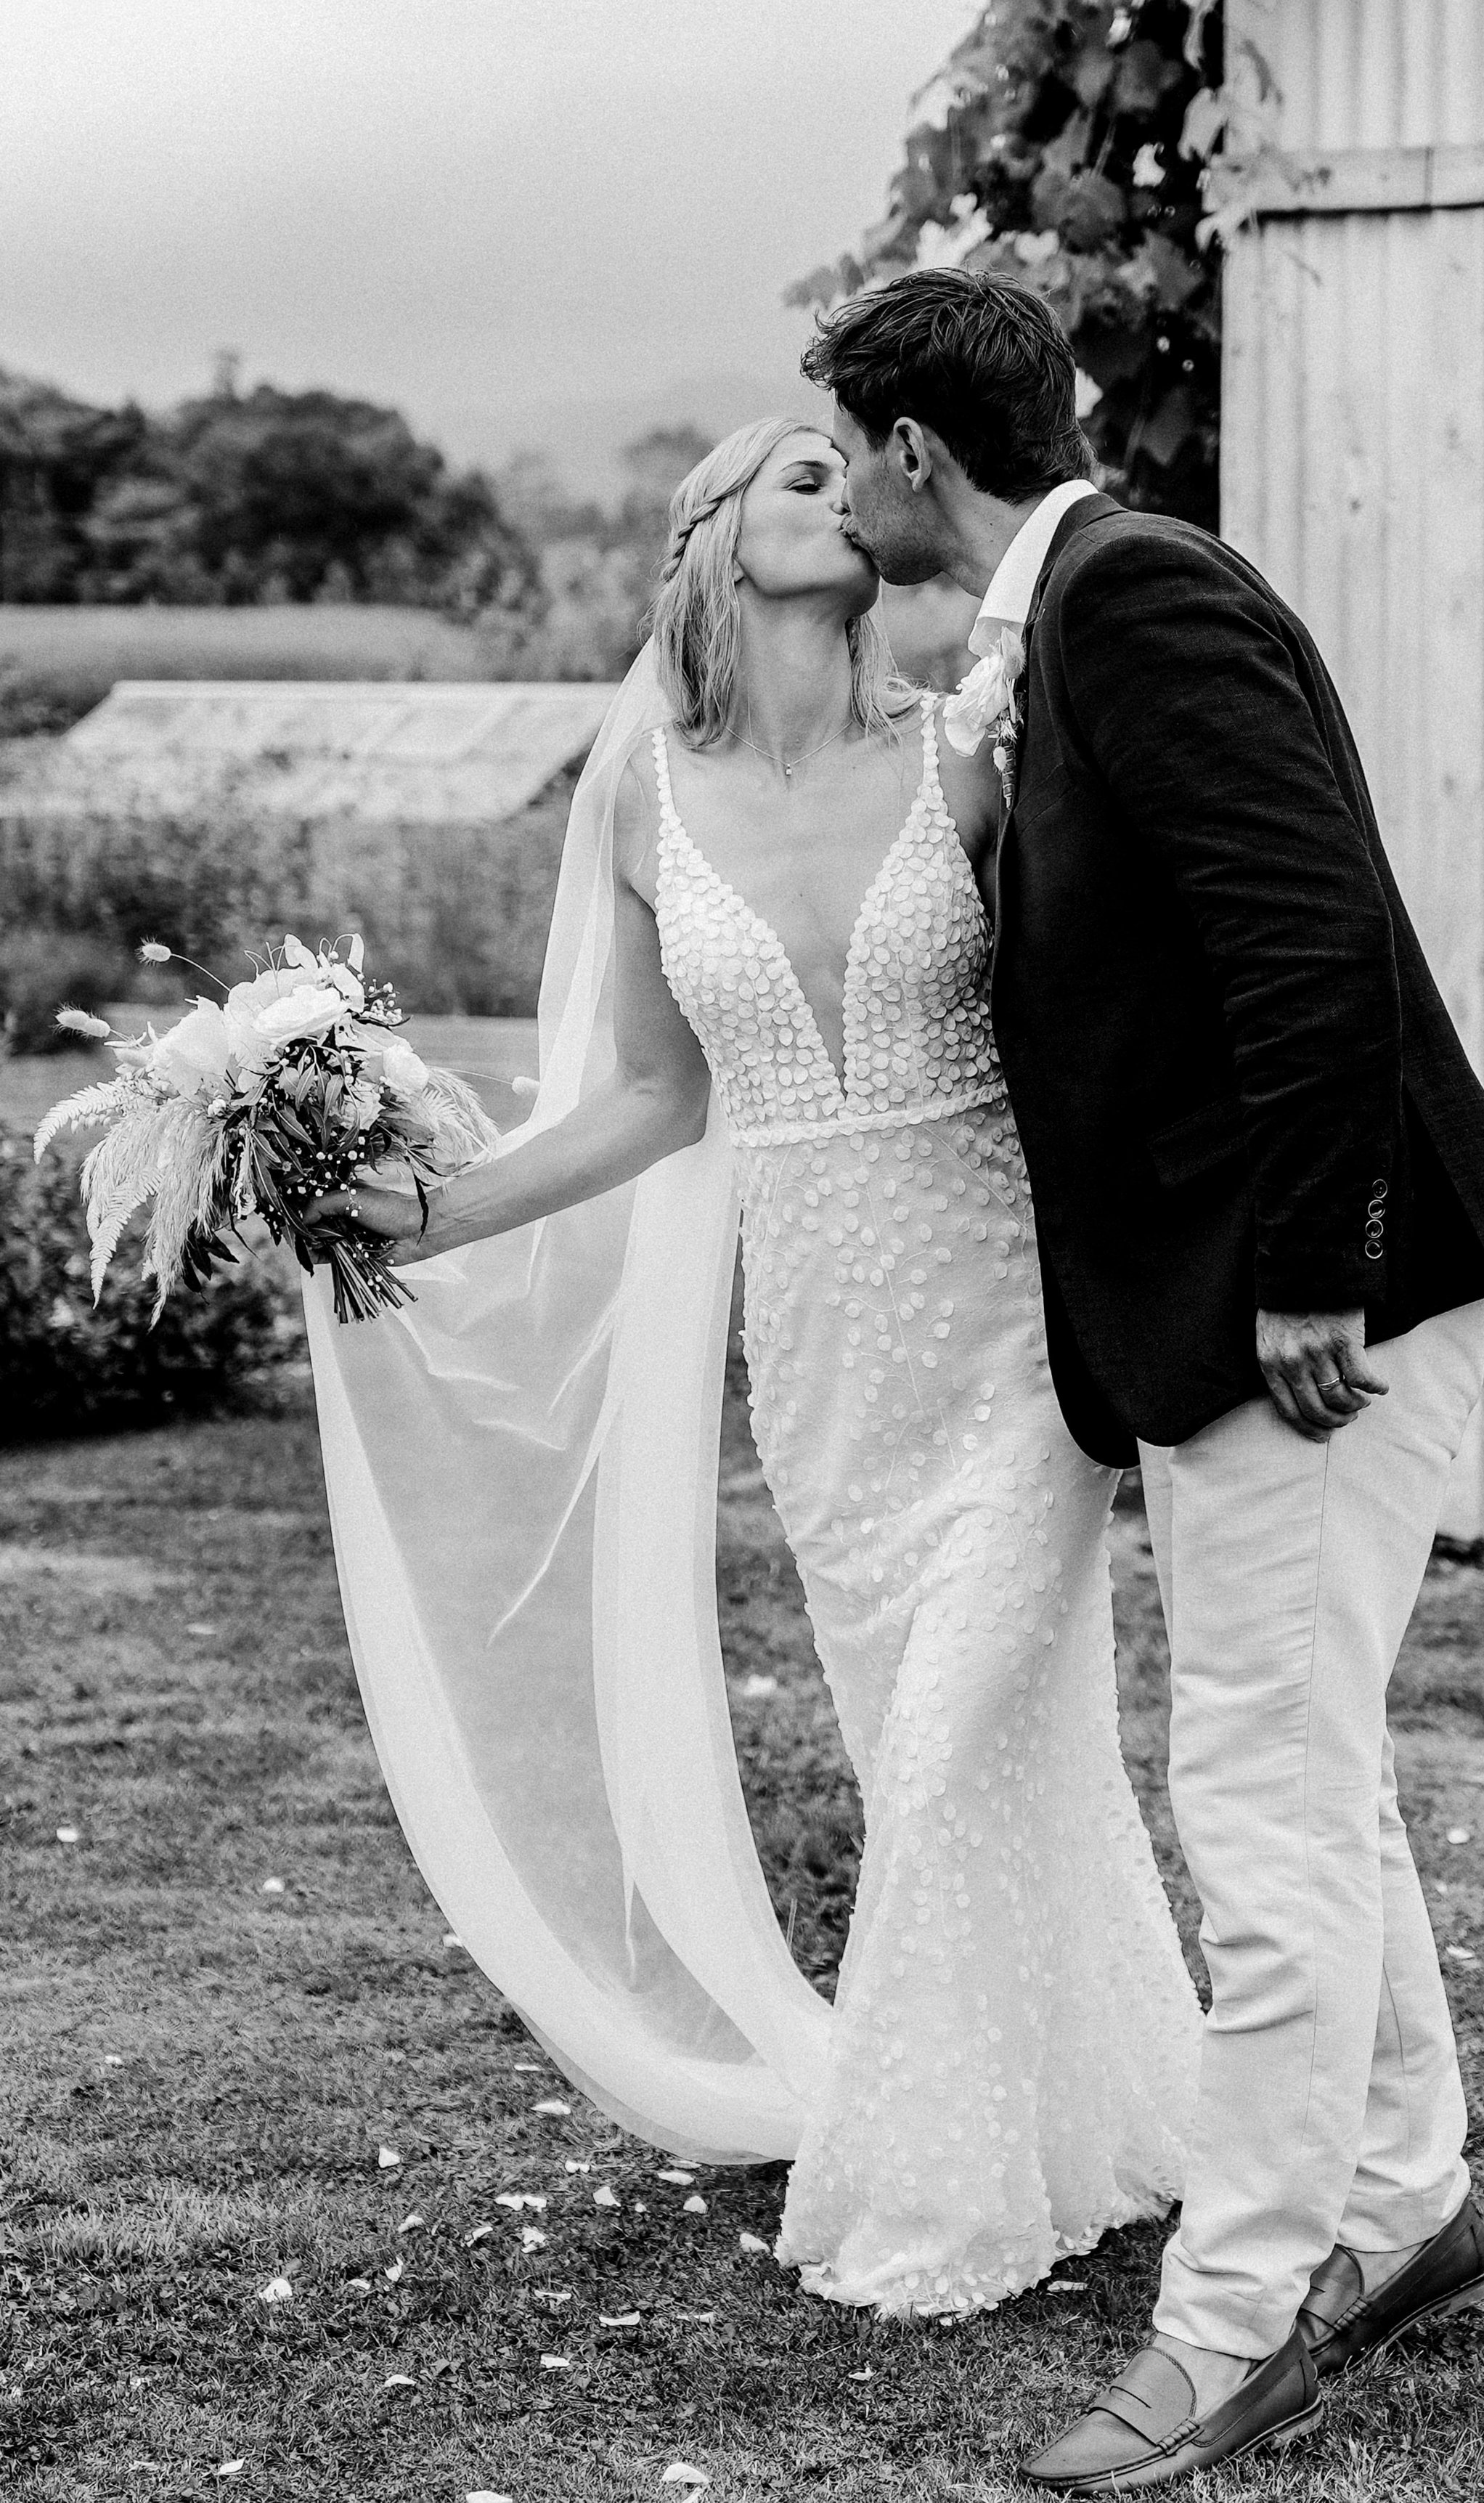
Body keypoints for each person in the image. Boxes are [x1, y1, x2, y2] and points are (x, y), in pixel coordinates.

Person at [306, 414, 1201, 2319]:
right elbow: (645, 1095)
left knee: (963, 1738)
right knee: (943, 1753)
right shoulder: (639, 793)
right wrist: (426, 1212)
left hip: (1003, 1323)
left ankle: (943, 2187)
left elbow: (1104, 1020)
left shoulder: (964, 747)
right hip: (817, 1355)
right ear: (711, 541)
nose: (849, 499)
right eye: (800, 479)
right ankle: (1109, 2111)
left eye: (850, 477)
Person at [807, 269, 1484, 2486]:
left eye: (843, 447)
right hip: (1242, 1310)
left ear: (910, 454)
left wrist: (1315, 1263)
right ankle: (1406, 2208)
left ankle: (1234, 2320)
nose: (844, 485)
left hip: (1306, 1322)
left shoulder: (1133, 603)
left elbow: (1305, 920)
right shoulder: (1059, 628)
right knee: (1300, 1779)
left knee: (1254, 1810)